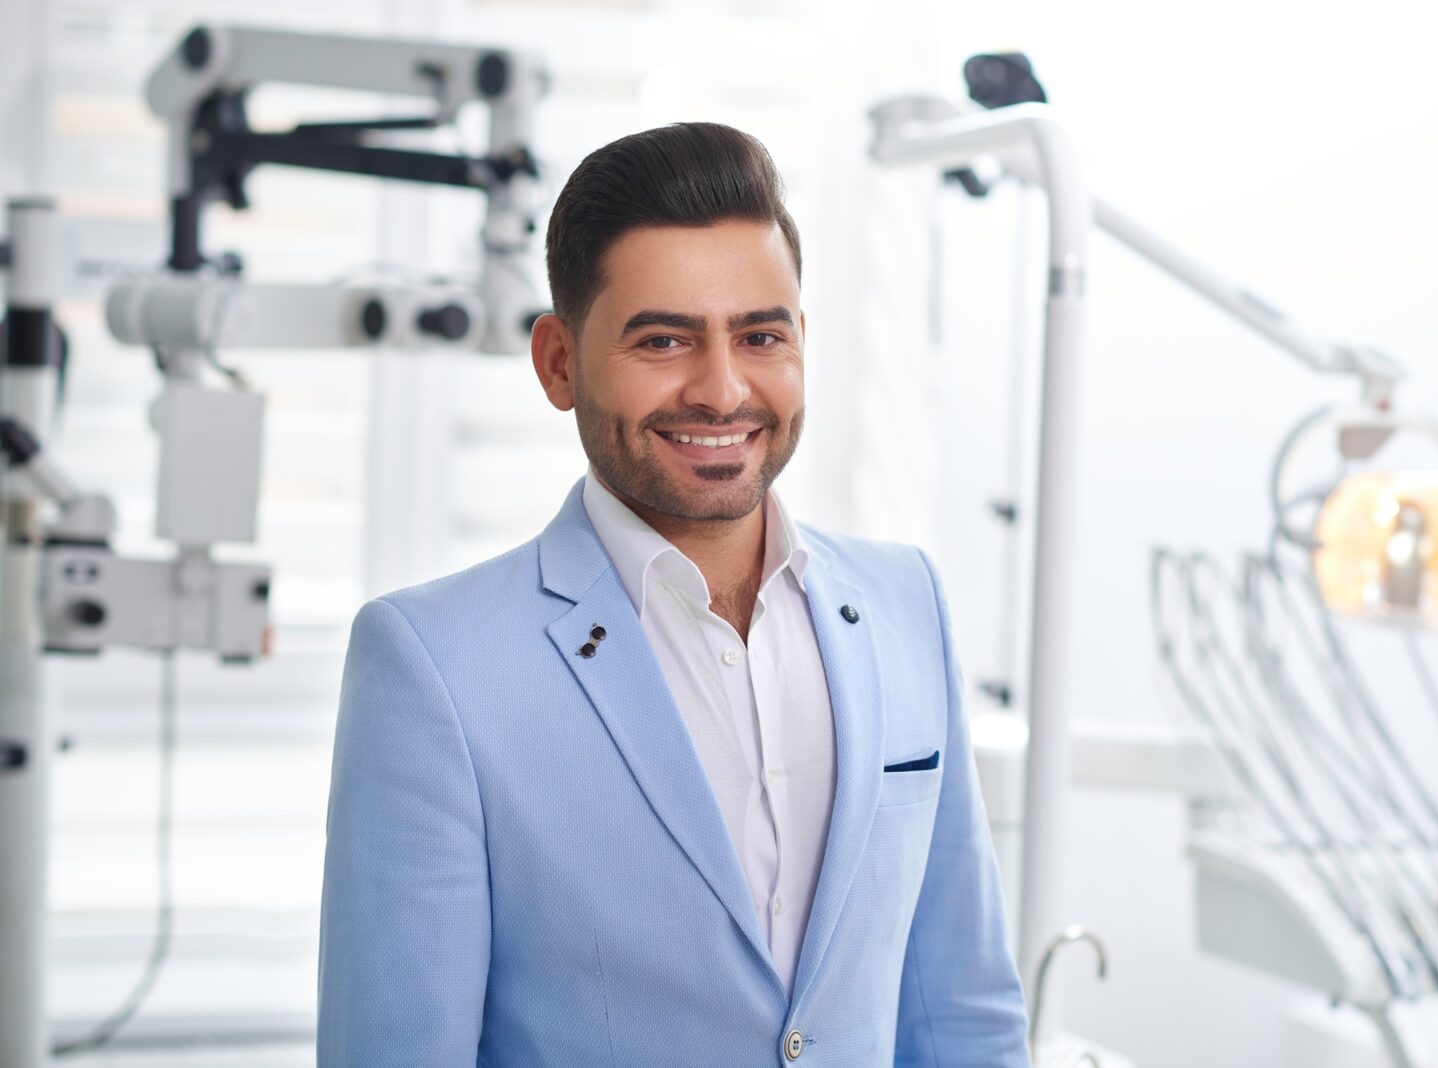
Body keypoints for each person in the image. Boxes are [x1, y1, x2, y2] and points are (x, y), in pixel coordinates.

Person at [317, 122, 1028, 1067]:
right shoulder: (432, 665)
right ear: (559, 364)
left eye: (760, 335)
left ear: (801, 343)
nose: (723, 389)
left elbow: (964, 1015)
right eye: (664, 340)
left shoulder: (906, 603)